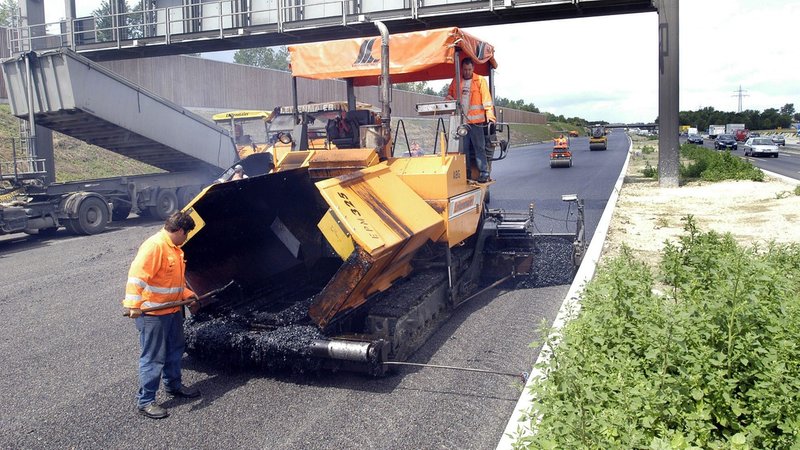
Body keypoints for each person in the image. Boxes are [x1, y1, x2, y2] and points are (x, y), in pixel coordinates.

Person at [123, 211, 201, 419]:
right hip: (153, 315)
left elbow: (172, 283)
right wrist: (133, 305)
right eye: (187, 234)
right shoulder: (155, 246)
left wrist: (189, 295)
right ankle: (146, 400)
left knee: (175, 350)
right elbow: (137, 276)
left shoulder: (174, 249)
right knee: (153, 357)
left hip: (173, 310)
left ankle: (174, 386)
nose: (186, 238)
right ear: (180, 230)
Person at [445, 57, 496, 183]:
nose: (467, 72)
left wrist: (490, 116)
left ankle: (484, 172)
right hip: (461, 123)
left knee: (479, 148)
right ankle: (465, 173)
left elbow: (487, 100)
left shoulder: (480, 80)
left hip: (476, 123)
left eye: (469, 69)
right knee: (463, 150)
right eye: (465, 69)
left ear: (473, 68)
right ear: (462, 69)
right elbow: (449, 95)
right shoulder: (456, 81)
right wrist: (449, 101)